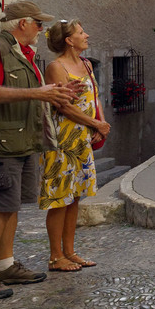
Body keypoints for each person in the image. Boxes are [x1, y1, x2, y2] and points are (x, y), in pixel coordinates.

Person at [0, 1, 81, 300]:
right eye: (38, 24)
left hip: (20, 142)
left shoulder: (24, 54)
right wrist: (37, 91)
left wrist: (57, 94)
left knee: (11, 206)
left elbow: (30, 95)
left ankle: (5, 265)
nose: (42, 30)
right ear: (22, 24)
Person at [40, 19, 110, 273]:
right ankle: (55, 256)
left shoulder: (87, 64)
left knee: (75, 196)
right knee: (60, 197)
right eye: (81, 32)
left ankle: (70, 251)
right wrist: (94, 122)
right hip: (62, 139)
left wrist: (97, 124)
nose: (86, 35)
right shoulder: (56, 67)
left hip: (84, 137)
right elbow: (64, 106)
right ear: (69, 40)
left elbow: (95, 96)